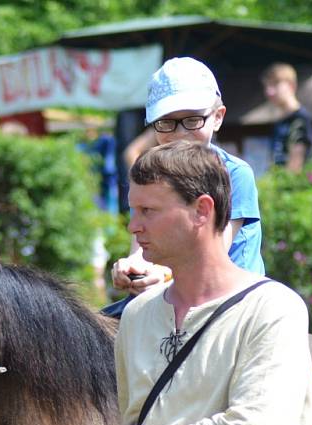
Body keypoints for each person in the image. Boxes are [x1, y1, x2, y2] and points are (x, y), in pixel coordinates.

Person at [2, 140, 312, 425]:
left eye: (148, 211)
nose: (133, 226)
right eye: (133, 210)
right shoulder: (136, 317)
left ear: (201, 211)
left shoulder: (273, 310)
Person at [112, 57, 264, 301]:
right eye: (167, 122)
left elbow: (214, 252)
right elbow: (140, 247)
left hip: (228, 299)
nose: (181, 133)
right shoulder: (149, 175)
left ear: (217, 117)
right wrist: (131, 268)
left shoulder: (235, 174)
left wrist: (162, 273)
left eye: (193, 119)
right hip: (168, 294)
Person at [261, 63, 312, 173]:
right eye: (266, 86)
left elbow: (296, 165)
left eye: (275, 84)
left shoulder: (300, 118)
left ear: (291, 86)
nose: (269, 91)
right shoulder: (280, 121)